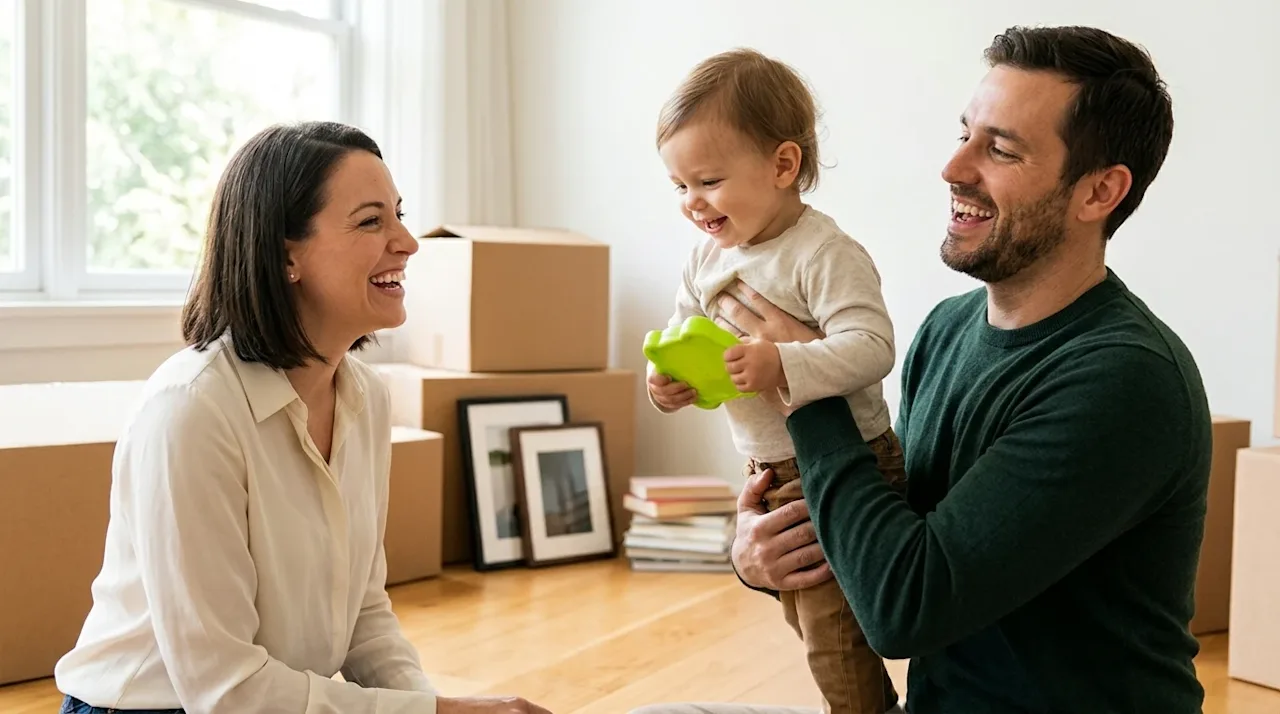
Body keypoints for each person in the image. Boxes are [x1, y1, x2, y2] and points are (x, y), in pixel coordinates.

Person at [634, 24, 1208, 714]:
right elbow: (888, 530)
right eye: (963, 133)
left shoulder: (1123, 380)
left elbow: (903, 608)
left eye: (999, 148)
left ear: (1098, 193)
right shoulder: (948, 329)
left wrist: (802, 382)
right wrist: (758, 558)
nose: (953, 168)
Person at [54, 122, 551, 714]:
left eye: (398, 214)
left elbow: (364, 615)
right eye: (371, 221)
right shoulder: (191, 410)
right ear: (286, 254)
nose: (408, 242)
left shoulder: (365, 397)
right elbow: (225, 689)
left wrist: (432, 708)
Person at [646, 48, 904, 713]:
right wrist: (670, 380)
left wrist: (784, 362)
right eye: (678, 187)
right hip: (767, 467)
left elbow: (873, 347)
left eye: (706, 180)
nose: (691, 204)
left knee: (834, 634)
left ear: (783, 165)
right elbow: (684, 334)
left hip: (849, 462)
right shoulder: (707, 258)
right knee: (806, 617)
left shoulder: (823, 253)